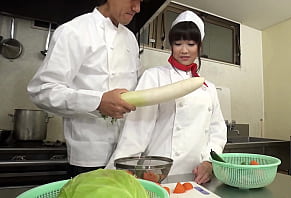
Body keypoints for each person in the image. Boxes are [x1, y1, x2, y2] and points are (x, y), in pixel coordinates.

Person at [106, 10, 227, 184]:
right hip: (159, 174)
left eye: (191, 44)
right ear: (171, 45)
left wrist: (209, 163)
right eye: (178, 43)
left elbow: (217, 132)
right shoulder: (154, 76)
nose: (184, 50)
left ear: (199, 47)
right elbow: (137, 129)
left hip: (199, 176)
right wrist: (120, 172)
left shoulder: (209, 88)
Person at [27, 0, 143, 177]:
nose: (137, 8)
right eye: (132, 0)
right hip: (89, 158)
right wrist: (97, 102)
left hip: (126, 155)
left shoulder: (130, 39)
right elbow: (42, 90)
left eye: (140, 1)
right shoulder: (74, 31)